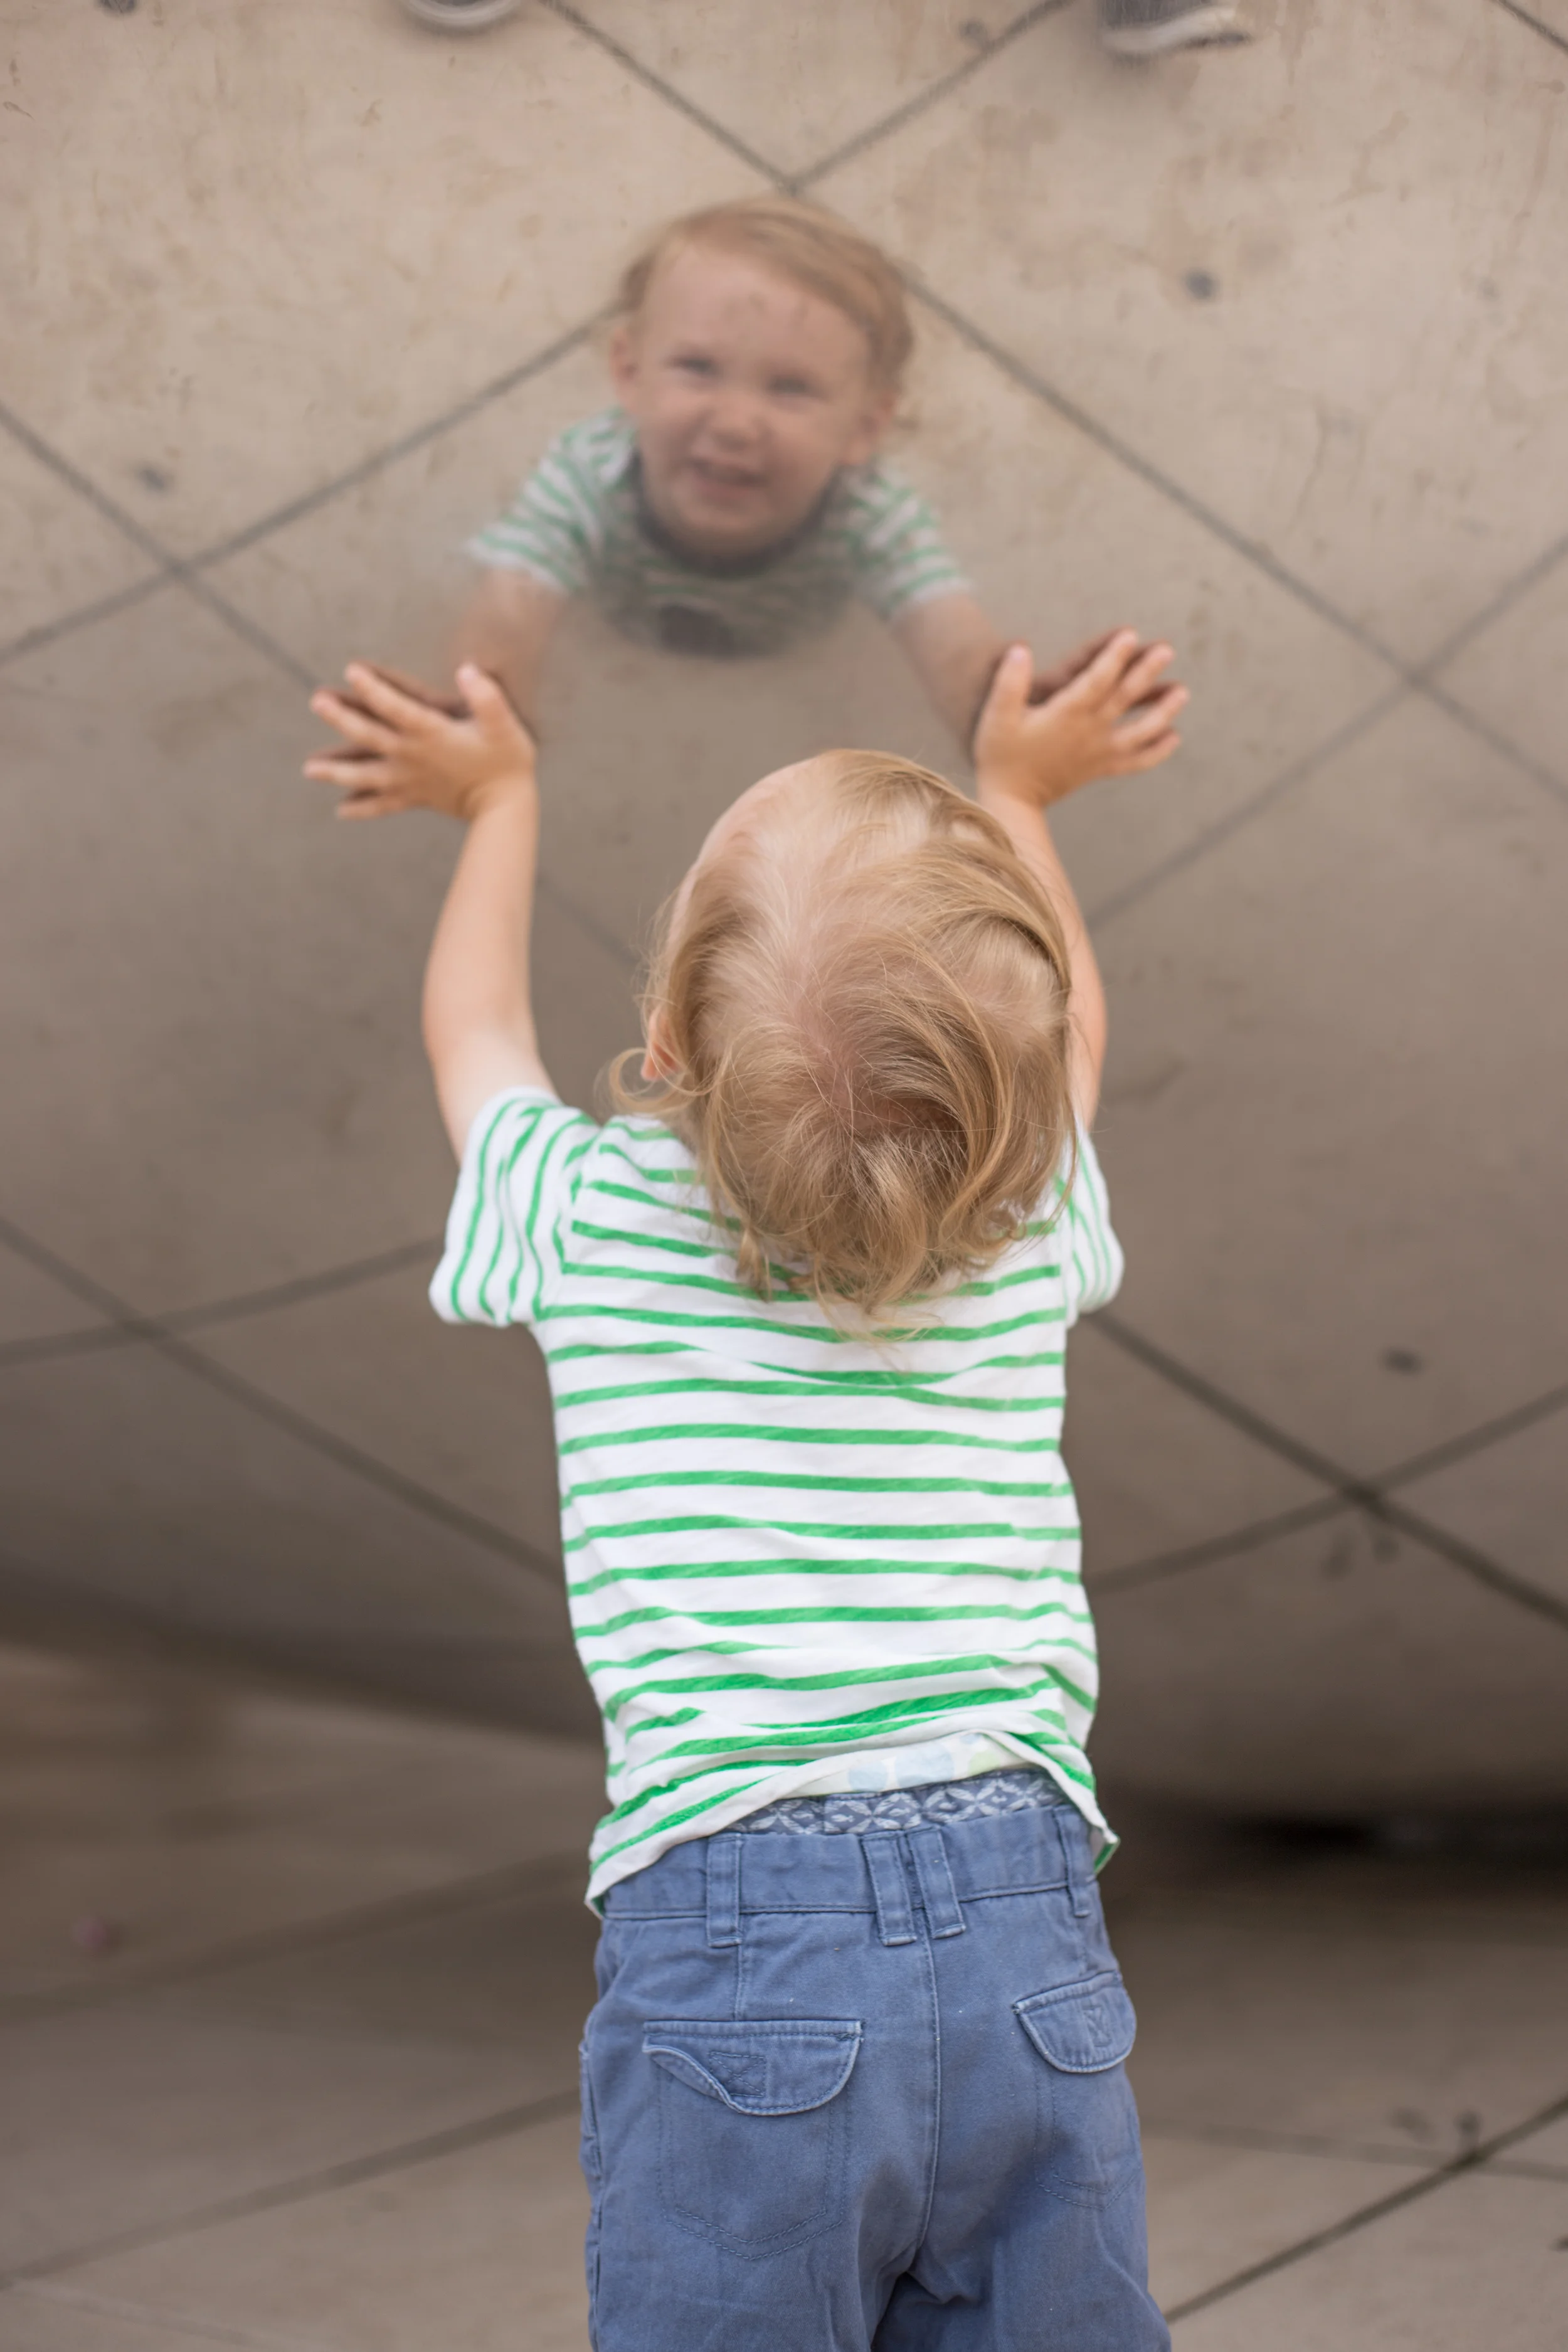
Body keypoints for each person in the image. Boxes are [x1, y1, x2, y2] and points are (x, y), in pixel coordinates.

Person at [302, 631, 1184, 2348]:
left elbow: (469, 1029)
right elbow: (1066, 1022)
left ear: (663, 1047)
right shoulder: (1020, 1224)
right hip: (1026, 1911)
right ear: (1006, 1106)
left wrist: (496, 795)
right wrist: (1022, 787)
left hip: (732, 1918)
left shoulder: (587, 1215)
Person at [310, 195, 1185, 760]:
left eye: (793, 388)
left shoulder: (874, 513)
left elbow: (950, 637)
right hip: (627, 620)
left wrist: (1007, 718)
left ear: (867, 426)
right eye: (696, 368)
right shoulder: (588, 472)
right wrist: (481, 715)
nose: (735, 423)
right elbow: (509, 606)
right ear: (628, 373)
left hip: (791, 636)